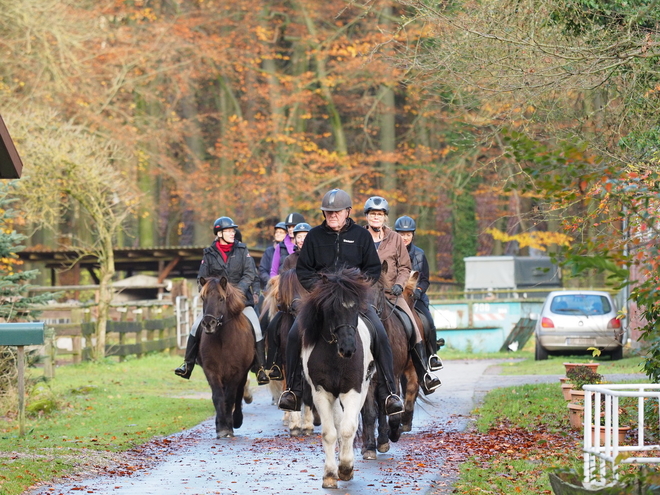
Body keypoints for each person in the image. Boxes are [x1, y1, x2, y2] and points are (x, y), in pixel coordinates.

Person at [278, 189, 404, 416]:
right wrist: (321, 289)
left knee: (380, 334)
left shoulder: (361, 236)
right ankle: (293, 390)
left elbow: (373, 269)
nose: (332, 215)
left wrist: (357, 288)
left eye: (336, 211)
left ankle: (389, 393)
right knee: (294, 333)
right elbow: (304, 270)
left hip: (354, 301)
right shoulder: (314, 236)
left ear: (347, 212)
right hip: (322, 301)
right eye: (328, 212)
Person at [174, 216, 269, 385]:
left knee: (256, 328)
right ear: (219, 233)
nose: (233, 233)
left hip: (240, 301)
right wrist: (210, 292)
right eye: (229, 231)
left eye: (233, 231)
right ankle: (187, 364)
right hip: (215, 302)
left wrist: (236, 292)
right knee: (196, 326)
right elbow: (202, 278)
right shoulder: (209, 253)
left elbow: (249, 274)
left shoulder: (242, 250)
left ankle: (260, 368)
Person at [364, 197, 441, 395]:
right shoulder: (358, 237)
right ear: (367, 216)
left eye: (379, 214)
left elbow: (405, 267)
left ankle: (424, 373)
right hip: (365, 296)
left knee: (413, 325)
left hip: (392, 294)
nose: (376, 217)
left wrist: (399, 285)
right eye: (373, 214)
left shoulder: (395, 239)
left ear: (385, 217)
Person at [394, 215, 443, 372]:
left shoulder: (420, 254)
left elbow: (425, 280)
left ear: (413, 235)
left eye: (408, 234)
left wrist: (418, 291)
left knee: (428, 321)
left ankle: (432, 356)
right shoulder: (391, 252)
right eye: (402, 234)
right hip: (395, 296)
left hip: (416, 297)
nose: (405, 238)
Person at [265, 221, 311, 380]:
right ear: (295, 239)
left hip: (310, 306)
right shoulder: (289, 260)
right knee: (272, 327)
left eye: (305, 236)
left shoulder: (317, 259)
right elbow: (282, 282)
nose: (302, 240)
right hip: (291, 306)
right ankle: (275, 363)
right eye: (299, 237)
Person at [270, 213, 305, 278]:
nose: (290, 229)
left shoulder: (308, 246)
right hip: (283, 283)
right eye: (289, 227)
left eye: (293, 226)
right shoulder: (280, 246)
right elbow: (274, 271)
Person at [258, 222, 288, 291]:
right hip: (270, 286)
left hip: (286, 286)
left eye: (281, 232)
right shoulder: (268, 251)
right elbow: (262, 270)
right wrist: (271, 281)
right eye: (276, 232)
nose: (278, 234)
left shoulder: (290, 251)